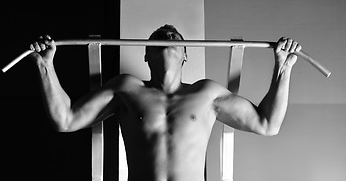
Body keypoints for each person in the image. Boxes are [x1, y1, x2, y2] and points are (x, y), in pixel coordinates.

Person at [29, 24, 301, 181]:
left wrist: (283, 68)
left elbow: (268, 124)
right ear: (146, 54)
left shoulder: (206, 94)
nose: (169, 36)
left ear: (185, 55)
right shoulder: (126, 88)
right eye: (160, 37)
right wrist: (45, 66)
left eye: (176, 38)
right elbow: (64, 119)